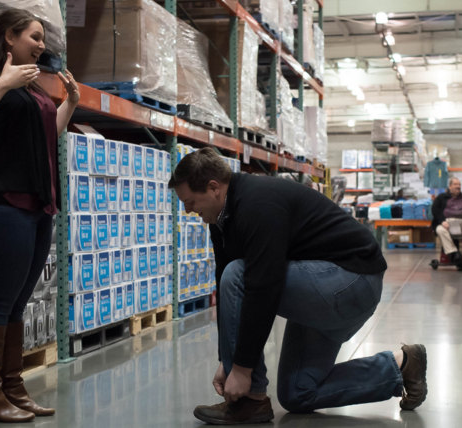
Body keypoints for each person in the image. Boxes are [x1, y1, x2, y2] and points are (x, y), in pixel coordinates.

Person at [169, 148, 428, 424]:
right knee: (298, 394)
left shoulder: (257, 204)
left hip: (352, 280)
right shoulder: (221, 218)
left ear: (214, 188)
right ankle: (402, 366)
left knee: (239, 275)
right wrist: (227, 358)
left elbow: (262, 286)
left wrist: (242, 370)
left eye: (190, 201)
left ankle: (251, 401)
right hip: (318, 285)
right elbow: (224, 284)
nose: (187, 210)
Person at [0, 9, 79, 423]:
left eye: (43, 39)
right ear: (9, 37)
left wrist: (70, 102)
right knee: (0, 299)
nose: (42, 45)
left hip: (35, 205)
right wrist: (4, 82)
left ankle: (12, 389)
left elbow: (44, 134)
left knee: (18, 302)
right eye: (35, 37)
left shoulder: (32, 85)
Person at [431, 177, 462, 263]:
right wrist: (442, 221)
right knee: (440, 230)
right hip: (447, 223)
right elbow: (435, 210)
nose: (458, 186)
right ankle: (454, 253)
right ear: (450, 186)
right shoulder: (442, 197)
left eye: (459, 184)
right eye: (455, 184)